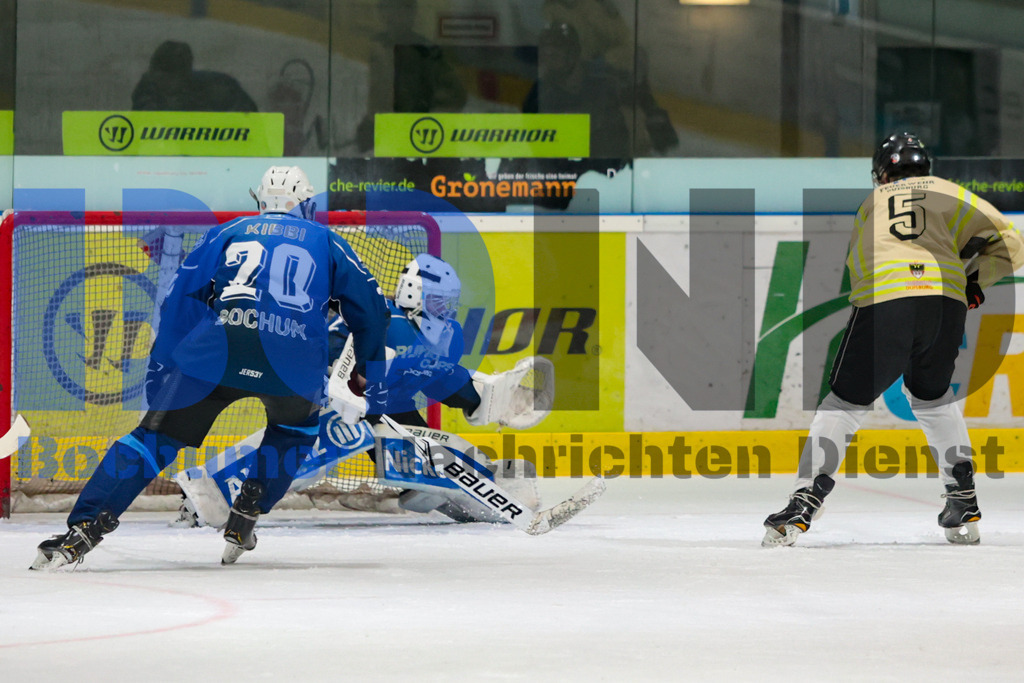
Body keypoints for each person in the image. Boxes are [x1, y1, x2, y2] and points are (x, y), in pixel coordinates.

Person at [31, 166, 390, 569]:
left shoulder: (228, 231)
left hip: (214, 352)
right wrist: (368, 376)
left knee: (152, 438)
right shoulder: (328, 240)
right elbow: (373, 312)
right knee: (294, 432)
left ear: (259, 201)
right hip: (293, 363)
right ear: (306, 204)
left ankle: (82, 529)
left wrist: (163, 364)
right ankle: (248, 509)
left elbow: (181, 298)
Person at [762, 132, 1024, 547]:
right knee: (933, 397)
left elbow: (859, 265)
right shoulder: (951, 192)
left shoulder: (873, 201)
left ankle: (805, 499)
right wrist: (974, 280)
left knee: (844, 403)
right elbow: (1012, 242)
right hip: (945, 305)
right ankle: (963, 498)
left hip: (888, 300)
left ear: (882, 173)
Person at [173, 254, 552, 528]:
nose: (444, 310)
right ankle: (213, 492)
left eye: (447, 303)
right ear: (413, 294)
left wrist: (486, 396)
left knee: (430, 458)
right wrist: (340, 386)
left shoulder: (444, 337)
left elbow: (440, 376)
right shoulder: (380, 320)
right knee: (324, 440)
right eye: (438, 300)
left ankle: (486, 486)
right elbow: (325, 354)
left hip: (387, 406)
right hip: (334, 400)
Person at [355, 0, 467, 153]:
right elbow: (370, 94)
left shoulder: (426, 51)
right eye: (386, 9)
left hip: (415, 140)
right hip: (383, 138)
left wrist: (426, 125)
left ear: (411, 14)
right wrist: (370, 124)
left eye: (399, 10)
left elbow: (456, 96)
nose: (391, 15)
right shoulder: (375, 46)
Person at [132, 40, 258, 113]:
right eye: (157, 77)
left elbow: (252, 126)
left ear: (185, 76)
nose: (161, 84)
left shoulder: (221, 91)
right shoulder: (147, 90)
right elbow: (135, 134)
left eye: (168, 79)